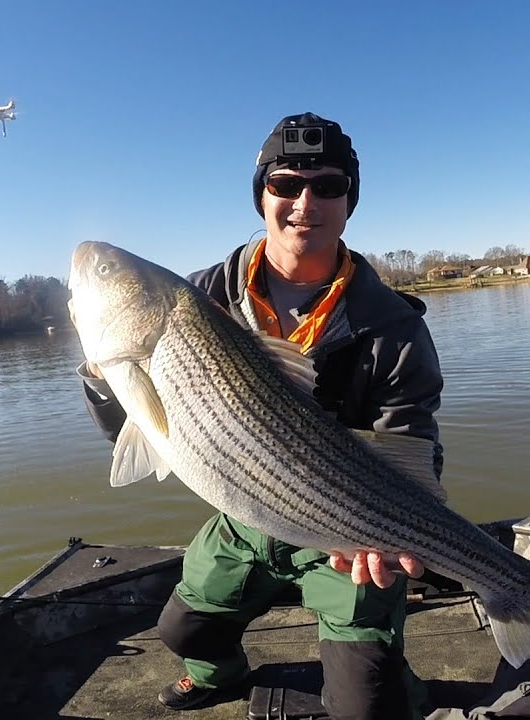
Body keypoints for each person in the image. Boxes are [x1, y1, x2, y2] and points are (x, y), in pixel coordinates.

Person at [77, 112, 444, 720]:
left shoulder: (397, 329)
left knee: (369, 706)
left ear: (350, 201)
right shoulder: (199, 296)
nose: (306, 202)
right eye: (286, 184)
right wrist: (102, 377)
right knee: (182, 631)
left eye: (328, 186)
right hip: (244, 516)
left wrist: (402, 533)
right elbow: (132, 435)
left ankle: (402, 685)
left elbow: (409, 444)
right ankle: (219, 675)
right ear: (261, 195)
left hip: (348, 523)